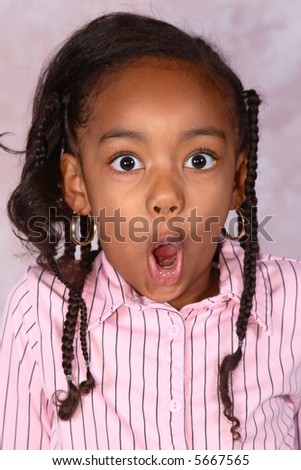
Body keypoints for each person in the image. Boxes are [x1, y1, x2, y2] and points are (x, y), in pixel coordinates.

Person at [0, 12, 300, 451]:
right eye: (127, 161)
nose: (165, 196)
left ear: (238, 180)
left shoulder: (290, 303)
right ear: (77, 184)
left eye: (199, 159)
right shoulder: (40, 313)